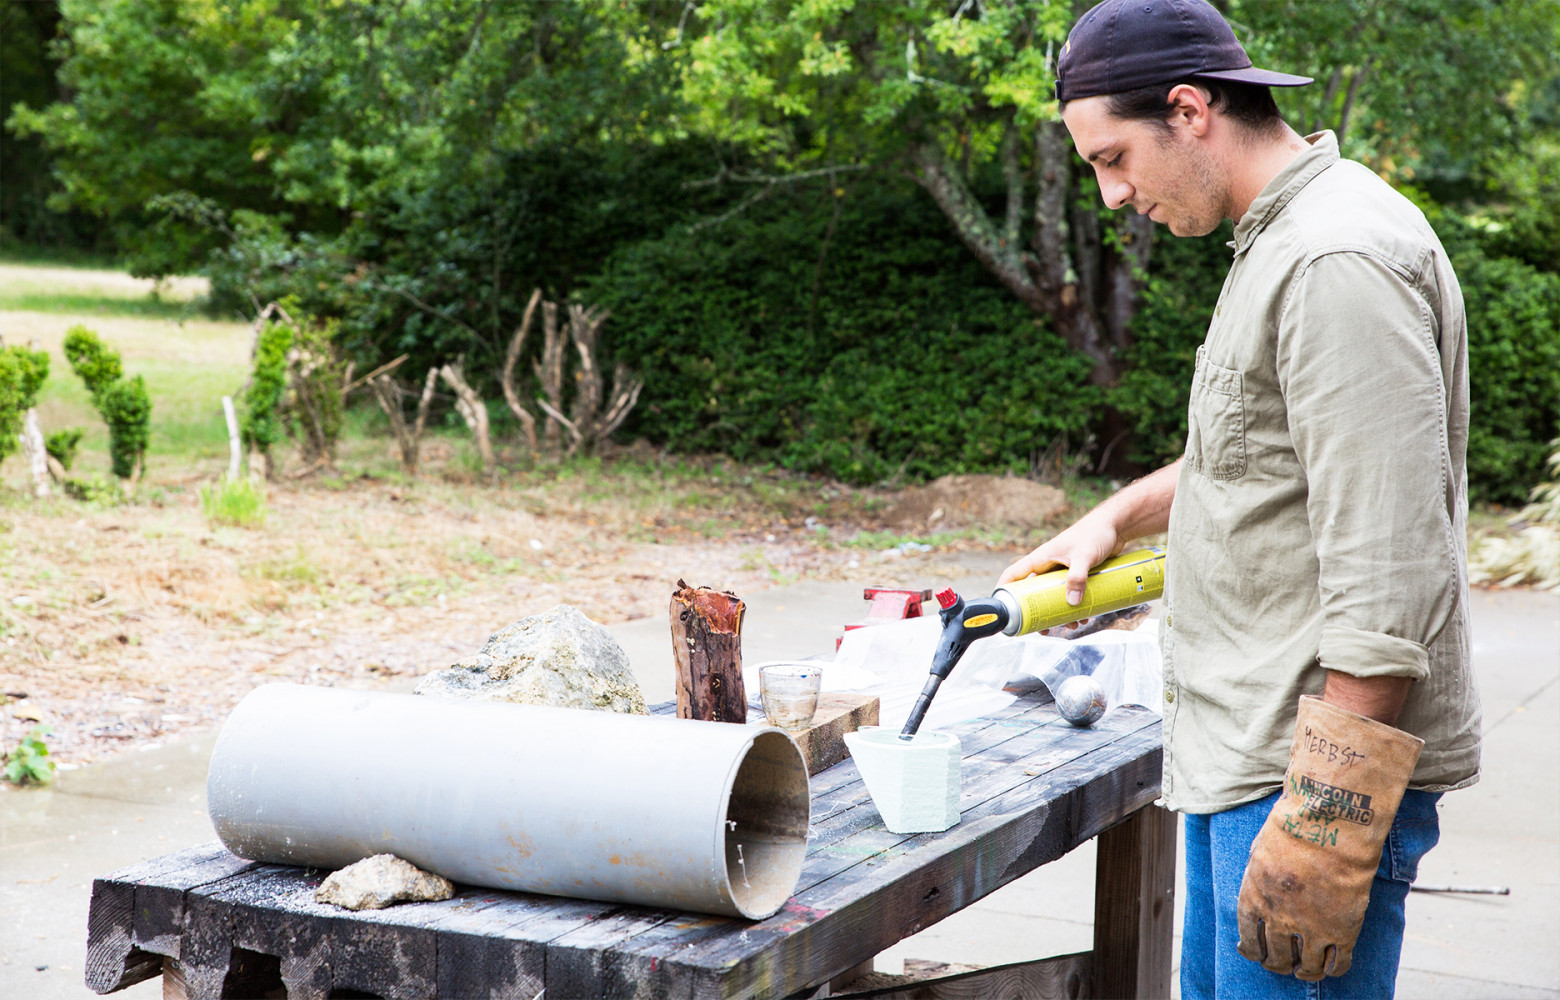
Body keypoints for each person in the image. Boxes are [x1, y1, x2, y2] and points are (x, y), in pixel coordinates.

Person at [1000, 1, 1482, 996]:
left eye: (1113, 158)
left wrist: (1323, 821)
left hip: (1303, 782)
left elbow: (1390, 575)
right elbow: (1264, 455)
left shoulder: (1335, 260)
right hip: (1247, 762)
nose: (1114, 193)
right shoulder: (1284, 238)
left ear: (1188, 109)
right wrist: (1110, 520)